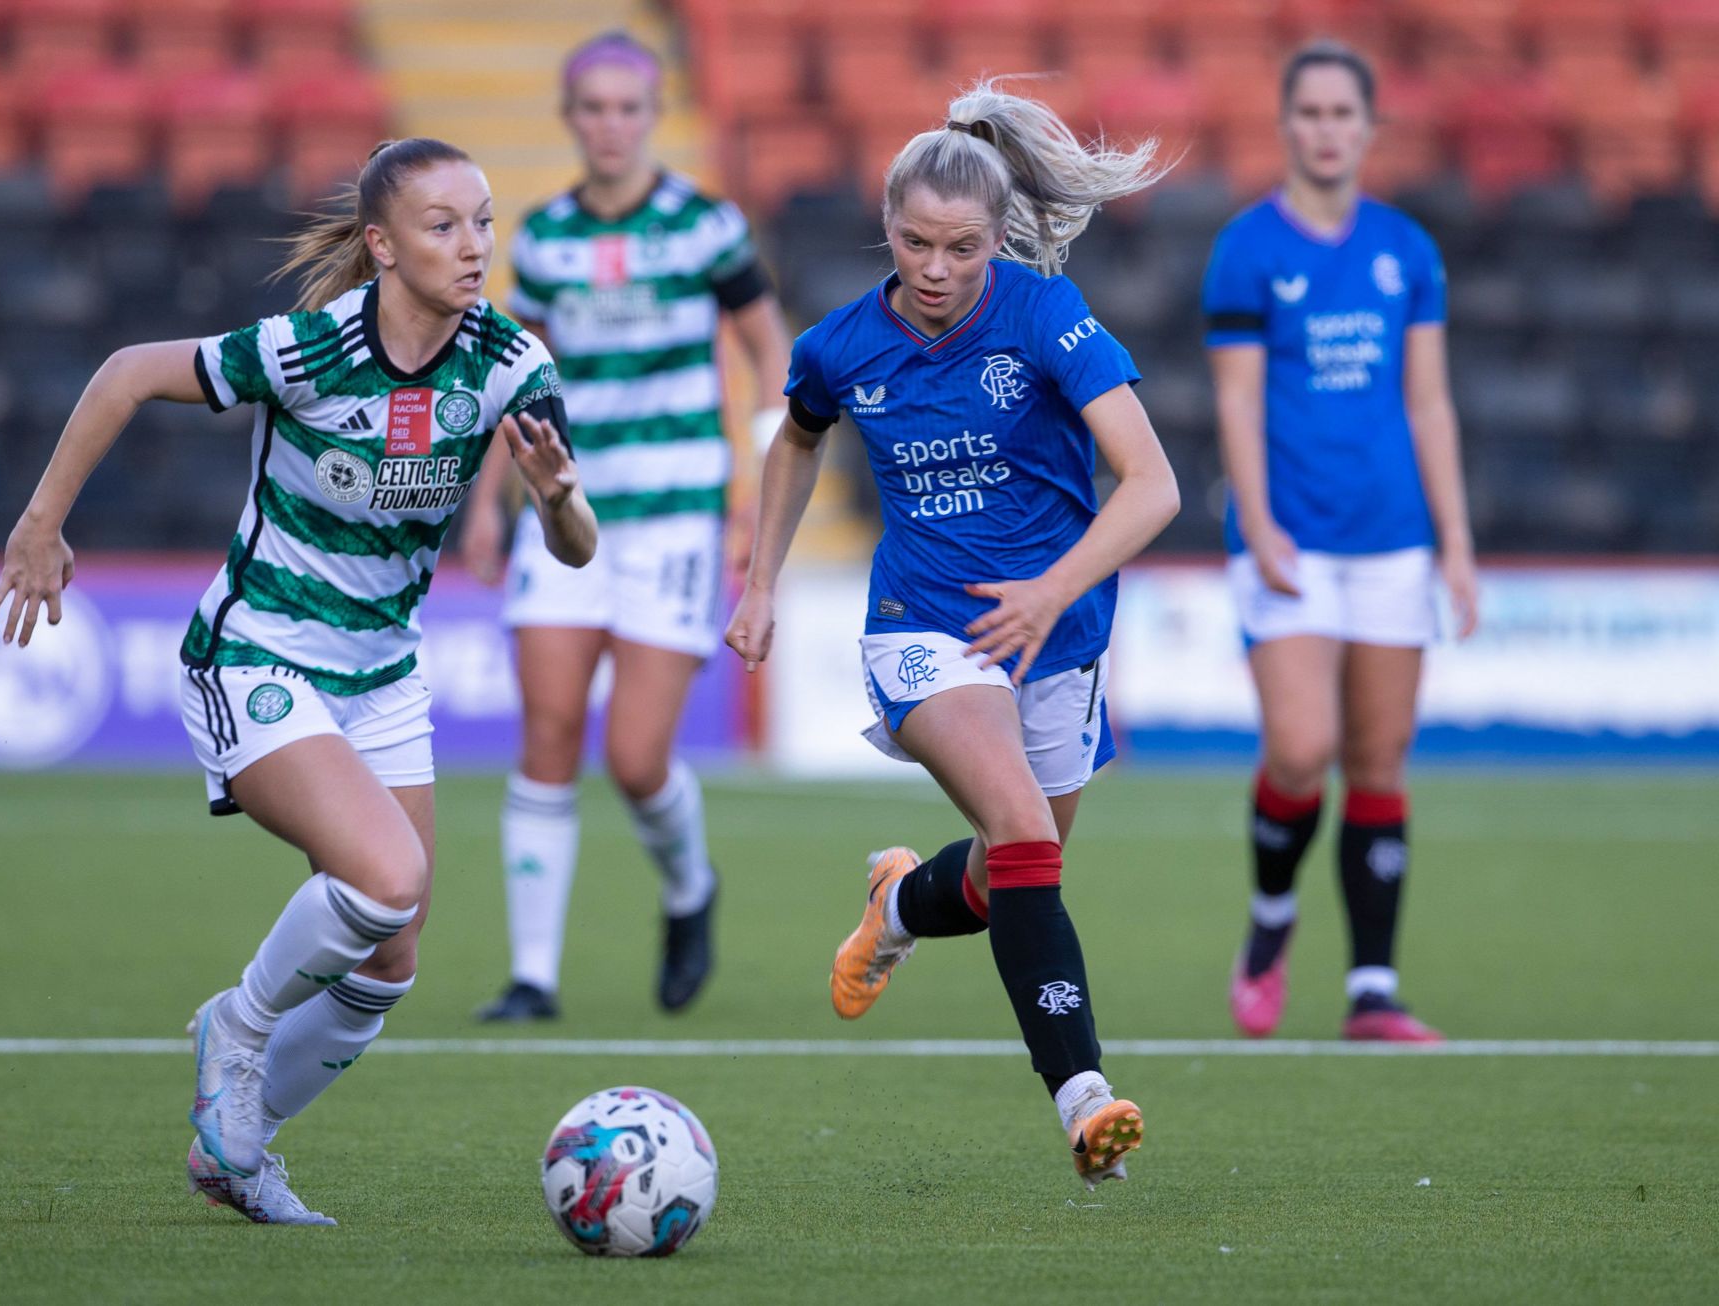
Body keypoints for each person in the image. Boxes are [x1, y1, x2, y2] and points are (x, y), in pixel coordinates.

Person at [0, 138, 595, 1223]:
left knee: (390, 961)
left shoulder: (512, 364)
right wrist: (40, 524)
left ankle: (239, 1149)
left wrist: (553, 499)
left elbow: (579, 546)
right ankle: (239, 1025)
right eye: (443, 225)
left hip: (382, 673)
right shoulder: (311, 349)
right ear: (381, 245)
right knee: (386, 876)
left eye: (484, 221)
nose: (474, 247)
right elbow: (127, 371)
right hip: (257, 651)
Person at [725, 80, 1180, 1190]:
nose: (935, 269)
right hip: (921, 628)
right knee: (1024, 832)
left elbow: (1151, 484)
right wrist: (759, 579)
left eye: (962, 248)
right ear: (885, 228)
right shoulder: (840, 345)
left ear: (996, 237)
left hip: (1057, 633)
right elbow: (794, 440)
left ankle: (896, 904)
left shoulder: (1041, 315)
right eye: (916, 243)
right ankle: (1083, 1100)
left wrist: (1046, 592)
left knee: (1007, 872)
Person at [462, 31, 791, 1023]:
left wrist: (758, 495)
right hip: (566, 512)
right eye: (591, 108)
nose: (609, 125)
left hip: (675, 518)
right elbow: (522, 376)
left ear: (652, 115)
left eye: (626, 107)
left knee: (639, 759)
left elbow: (768, 347)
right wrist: (489, 499)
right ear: (570, 118)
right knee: (548, 735)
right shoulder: (545, 238)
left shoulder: (705, 227)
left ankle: (689, 890)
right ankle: (531, 977)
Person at [1202, 41, 1477, 1044]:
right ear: (1285, 125)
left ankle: (1371, 989)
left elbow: (1428, 401)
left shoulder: (1404, 250)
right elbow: (1233, 398)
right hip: (1287, 538)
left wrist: (1452, 540)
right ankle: (1271, 915)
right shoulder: (1245, 249)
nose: (1324, 129)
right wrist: (1260, 519)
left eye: (1340, 113)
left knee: (1376, 757)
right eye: (1307, 112)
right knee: (1300, 744)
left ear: (1368, 128)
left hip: (1391, 539)